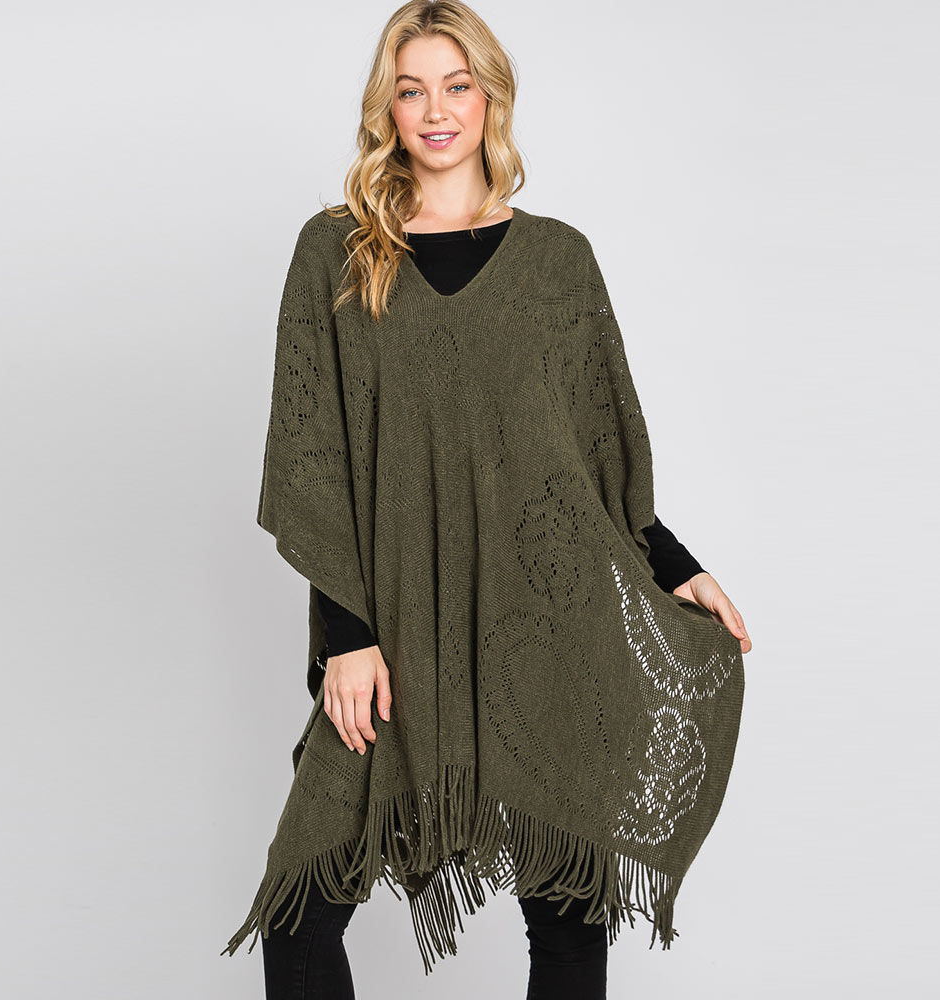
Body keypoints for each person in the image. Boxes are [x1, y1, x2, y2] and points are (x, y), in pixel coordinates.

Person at [222, 3, 750, 998]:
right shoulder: (335, 253)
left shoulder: (558, 263)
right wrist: (347, 636)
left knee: (568, 923)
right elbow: (314, 458)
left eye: (456, 86)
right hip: (392, 633)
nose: (435, 111)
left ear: (490, 98)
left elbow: (594, 456)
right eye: (411, 89)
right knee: (300, 913)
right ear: (386, 108)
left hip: (542, 629)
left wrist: (675, 567)